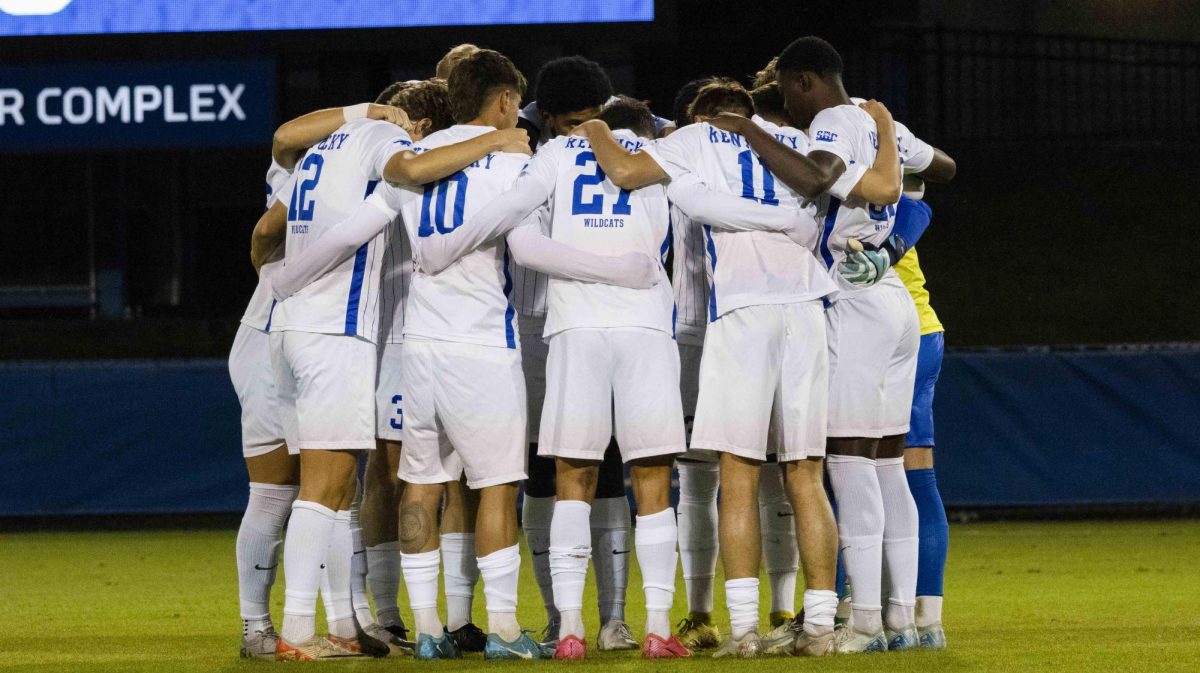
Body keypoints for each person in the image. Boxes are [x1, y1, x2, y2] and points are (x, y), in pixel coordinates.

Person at [571, 78, 904, 658]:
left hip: (741, 313)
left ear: (707, 116)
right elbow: (886, 187)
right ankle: (821, 628)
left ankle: (745, 630)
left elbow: (622, 173)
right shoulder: (793, 137)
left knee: (738, 475)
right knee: (805, 471)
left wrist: (596, 127)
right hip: (807, 309)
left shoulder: (696, 138)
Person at [250, 76, 529, 660]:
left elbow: (268, 230)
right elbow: (406, 171)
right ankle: (298, 633)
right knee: (323, 489)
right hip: (336, 333)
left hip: (293, 327)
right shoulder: (381, 139)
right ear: (420, 128)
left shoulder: (325, 148)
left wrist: (282, 283)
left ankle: (346, 627)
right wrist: (492, 142)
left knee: (341, 487)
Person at [705, 35, 956, 654]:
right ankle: (907, 619)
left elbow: (824, 176)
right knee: (889, 466)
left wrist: (746, 131)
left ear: (803, 82)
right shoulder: (873, 116)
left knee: (849, 465)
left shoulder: (833, 123)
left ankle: (865, 619)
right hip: (895, 303)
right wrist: (891, 135)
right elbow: (942, 169)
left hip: (852, 300)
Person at [511, 55, 638, 651]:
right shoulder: (531, 149)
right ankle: (585, 617)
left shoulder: (547, 155)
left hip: (573, 325)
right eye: (572, 121)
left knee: (579, 471)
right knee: (573, 472)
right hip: (565, 326)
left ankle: (589, 617)